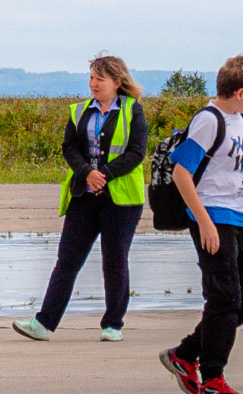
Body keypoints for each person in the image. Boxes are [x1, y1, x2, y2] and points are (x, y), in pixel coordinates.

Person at [157, 55, 243, 394]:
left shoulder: (242, 118)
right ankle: (212, 378)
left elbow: (241, 167)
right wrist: (204, 221)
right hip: (214, 219)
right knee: (224, 299)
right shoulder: (208, 121)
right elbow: (182, 172)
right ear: (239, 92)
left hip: (241, 218)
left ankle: (185, 353)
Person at [14, 56, 149, 342]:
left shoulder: (132, 110)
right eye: (91, 77)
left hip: (121, 201)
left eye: (100, 79)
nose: (93, 84)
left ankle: (113, 324)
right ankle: (43, 323)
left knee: (114, 261)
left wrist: (106, 174)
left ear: (117, 81)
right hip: (83, 197)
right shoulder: (78, 111)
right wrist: (87, 172)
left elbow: (137, 152)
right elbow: (69, 147)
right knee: (67, 261)